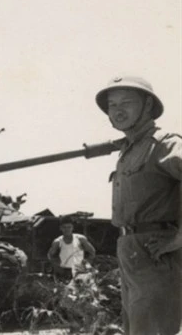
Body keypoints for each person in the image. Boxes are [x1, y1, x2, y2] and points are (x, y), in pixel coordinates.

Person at [95, 76, 181, 335]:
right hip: (130, 248)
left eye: (127, 102)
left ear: (147, 106)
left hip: (155, 249)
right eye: (112, 105)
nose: (118, 110)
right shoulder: (130, 148)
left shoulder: (165, 143)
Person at [47, 216, 96, 280]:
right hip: (64, 271)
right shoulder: (58, 241)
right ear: (60, 228)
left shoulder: (80, 239)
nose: (67, 229)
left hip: (79, 271)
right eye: (64, 227)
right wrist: (57, 267)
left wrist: (87, 263)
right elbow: (50, 255)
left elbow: (92, 252)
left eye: (69, 227)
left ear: (72, 227)